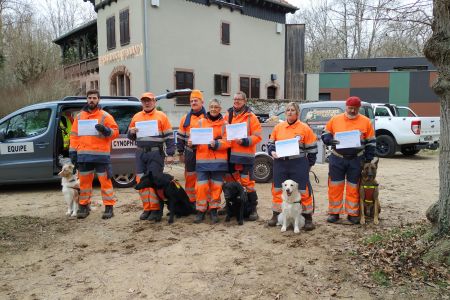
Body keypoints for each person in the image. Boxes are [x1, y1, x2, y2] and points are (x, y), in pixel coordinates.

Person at [321, 96, 376, 224]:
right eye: (350, 108)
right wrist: (329, 139)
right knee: (335, 186)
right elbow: (325, 134)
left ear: (359, 108)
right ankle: (334, 212)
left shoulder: (366, 122)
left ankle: (352, 213)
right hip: (337, 158)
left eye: (355, 109)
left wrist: (368, 159)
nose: (352, 111)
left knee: (354, 186)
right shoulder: (335, 119)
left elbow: (371, 142)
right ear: (346, 107)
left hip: (357, 159)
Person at [267, 102, 318, 230]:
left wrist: (309, 165)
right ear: (285, 113)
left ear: (297, 113)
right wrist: (272, 151)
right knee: (278, 189)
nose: (290, 112)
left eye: (292, 110)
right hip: (280, 163)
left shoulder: (305, 128)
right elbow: (271, 144)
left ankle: (307, 218)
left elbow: (312, 149)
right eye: (288, 110)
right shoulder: (278, 127)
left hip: (298, 163)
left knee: (303, 190)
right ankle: (276, 214)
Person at [69, 90, 119, 219]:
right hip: (84, 156)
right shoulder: (79, 117)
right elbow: (74, 136)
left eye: (94, 98)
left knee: (106, 183)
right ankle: (84, 206)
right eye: (90, 98)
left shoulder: (105, 116)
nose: (92, 100)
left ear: (98, 100)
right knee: (84, 184)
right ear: (87, 99)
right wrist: (73, 152)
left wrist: (106, 130)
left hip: (102, 156)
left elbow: (115, 132)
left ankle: (109, 208)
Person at [128, 92, 175, 221]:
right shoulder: (136, 116)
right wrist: (131, 132)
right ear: (142, 103)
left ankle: (156, 210)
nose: (147, 103)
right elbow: (130, 135)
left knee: (154, 181)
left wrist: (170, 154)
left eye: (149, 100)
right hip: (140, 152)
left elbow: (169, 136)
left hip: (156, 153)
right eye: (144, 101)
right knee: (141, 180)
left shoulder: (161, 116)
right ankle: (147, 208)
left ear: (154, 101)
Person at [187, 99, 230, 224]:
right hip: (202, 162)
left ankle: (213, 210)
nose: (213, 109)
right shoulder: (200, 122)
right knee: (201, 187)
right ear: (208, 107)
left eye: (216, 107)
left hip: (219, 162)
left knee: (216, 188)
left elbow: (229, 141)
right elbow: (192, 139)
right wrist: (191, 143)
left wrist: (216, 143)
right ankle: (201, 211)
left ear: (220, 108)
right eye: (211, 106)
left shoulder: (225, 124)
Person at [224, 91, 262, 221]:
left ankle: (252, 208)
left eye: (239, 99)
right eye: (235, 99)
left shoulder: (251, 117)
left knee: (248, 183)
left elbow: (257, 136)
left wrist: (245, 141)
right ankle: (231, 206)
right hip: (230, 157)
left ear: (245, 101)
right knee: (231, 183)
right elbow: (223, 132)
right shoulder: (227, 115)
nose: (236, 101)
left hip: (245, 157)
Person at [177, 90, 206, 205]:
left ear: (202, 102)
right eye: (191, 101)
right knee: (190, 177)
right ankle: (191, 201)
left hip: (204, 152)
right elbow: (180, 136)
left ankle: (204, 202)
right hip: (190, 153)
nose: (193, 103)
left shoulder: (208, 117)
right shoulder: (185, 118)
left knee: (204, 177)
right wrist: (180, 153)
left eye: (196, 100)